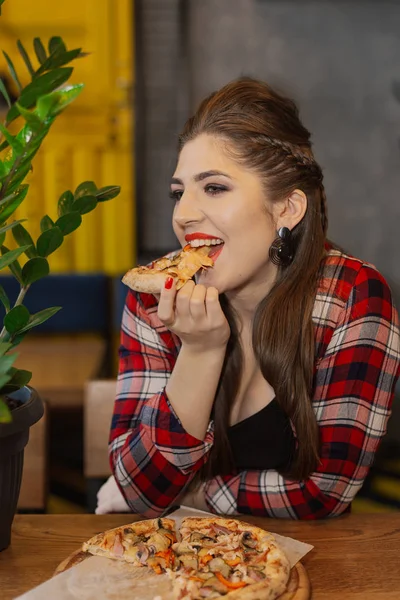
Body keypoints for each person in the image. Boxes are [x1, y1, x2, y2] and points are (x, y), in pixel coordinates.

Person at [105, 77, 400, 519]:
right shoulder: (154, 295)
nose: (183, 214)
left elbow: (324, 491)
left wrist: (195, 496)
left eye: (215, 187)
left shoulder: (351, 296)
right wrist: (201, 352)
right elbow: (141, 491)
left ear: (287, 208)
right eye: (178, 192)